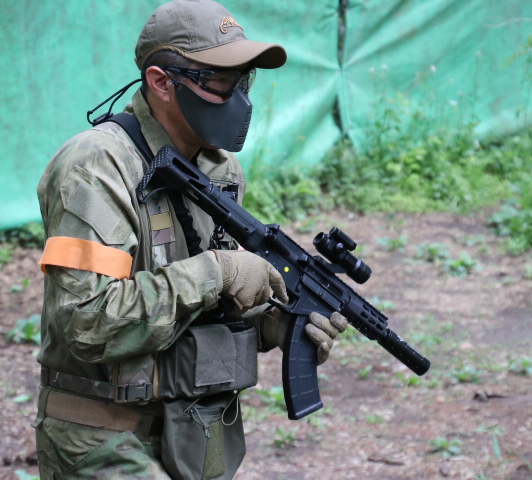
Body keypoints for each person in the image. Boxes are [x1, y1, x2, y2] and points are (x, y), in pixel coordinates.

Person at [33, 1, 347, 478]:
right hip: (103, 434)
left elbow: (199, 312)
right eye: (221, 80)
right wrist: (217, 272)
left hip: (196, 432)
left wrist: (271, 326)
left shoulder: (220, 170)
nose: (239, 98)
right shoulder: (97, 166)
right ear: (162, 82)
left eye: (244, 80)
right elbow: (86, 321)